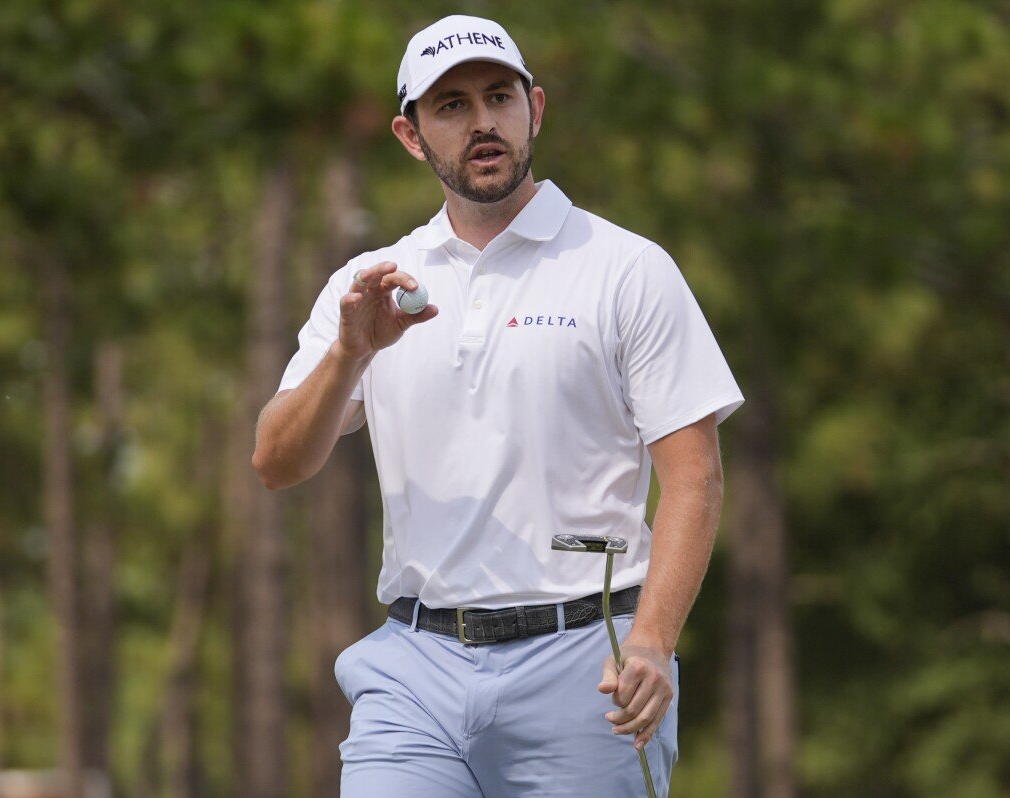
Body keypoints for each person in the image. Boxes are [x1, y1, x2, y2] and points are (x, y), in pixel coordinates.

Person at [252, 14, 743, 797]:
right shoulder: (372, 283)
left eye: (497, 97)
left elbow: (694, 477)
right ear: (411, 137)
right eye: (450, 106)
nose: (481, 122)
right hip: (416, 670)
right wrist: (351, 352)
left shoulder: (625, 269)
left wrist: (651, 642)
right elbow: (276, 462)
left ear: (535, 109)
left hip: (589, 666)